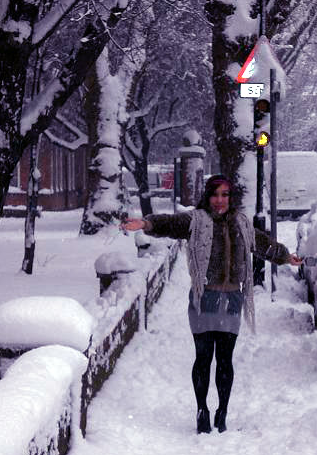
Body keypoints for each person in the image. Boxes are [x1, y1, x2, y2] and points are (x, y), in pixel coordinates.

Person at [121, 174, 302, 434]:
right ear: (208, 196)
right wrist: (145, 224)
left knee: (225, 360)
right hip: (204, 298)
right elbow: (169, 224)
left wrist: (286, 257)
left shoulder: (242, 224)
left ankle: (222, 412)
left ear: (231, 197)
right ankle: (202, 410)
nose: (219, 201)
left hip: (231, 299)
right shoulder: (195, 221)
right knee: (204, 358)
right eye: (215, 195)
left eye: (225, 195)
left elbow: (263, 245)